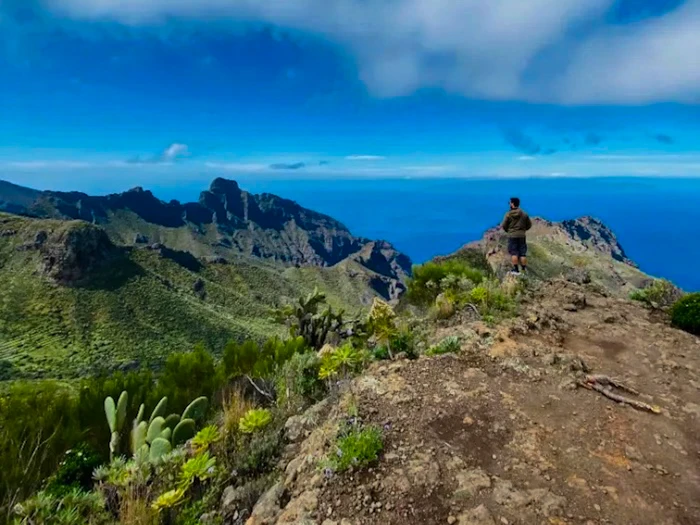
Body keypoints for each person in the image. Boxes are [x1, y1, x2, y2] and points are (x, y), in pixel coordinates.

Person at [501, 197, 532, 274]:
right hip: (522, 236)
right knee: (522, 253)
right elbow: (529, 225)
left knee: (514, 252)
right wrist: (523, 230)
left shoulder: (508, 214)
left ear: (512, 204)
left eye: (510, 203)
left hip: (512, 236)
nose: (509, 204)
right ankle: (523, 270)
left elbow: (504, 225)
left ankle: (516, 269)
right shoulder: (524, 214)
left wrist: (509, 231)